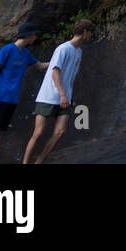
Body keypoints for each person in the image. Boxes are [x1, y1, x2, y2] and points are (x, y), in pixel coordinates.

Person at [0, 22, 47, 164]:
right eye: (35, 34)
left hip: (11, 100)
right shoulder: (8, 49)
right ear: (29, 35)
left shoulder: (26, 54)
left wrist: (59, 61)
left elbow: (40, 66)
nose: (36, 37)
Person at [22, 19, 93, 164]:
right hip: (49, 96)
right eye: (91, 32)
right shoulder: (63, 48)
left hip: (65, 97)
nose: (91, 36)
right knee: (38, 133)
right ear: (85, 32)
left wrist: (66, 95)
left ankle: (39, 162)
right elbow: (55, 73)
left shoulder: (79, 52)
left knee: (60, 132)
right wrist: (62, 94)